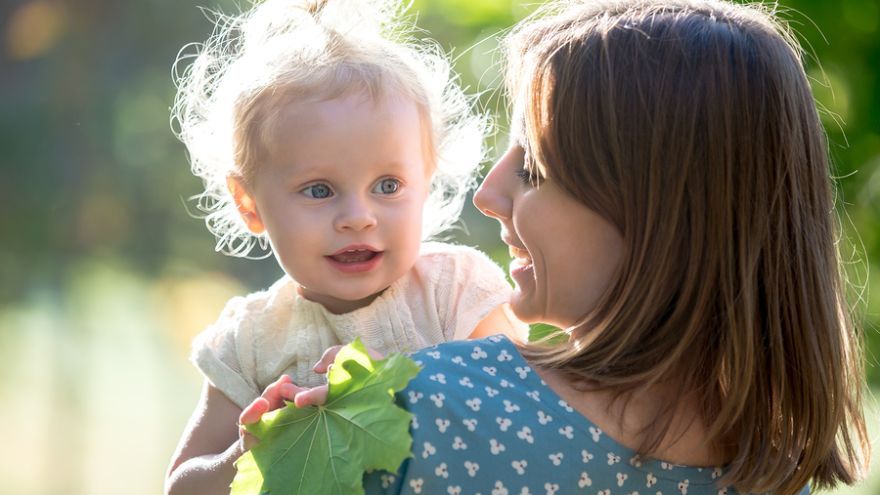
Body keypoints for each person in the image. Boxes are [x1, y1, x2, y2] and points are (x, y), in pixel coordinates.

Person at [241, 0, 872, 493]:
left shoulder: (411, 411)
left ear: (655, 215)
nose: (488, 193)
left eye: (536, 169)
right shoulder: (777, 471)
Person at [163, 0, 527, 493]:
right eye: (319, 190)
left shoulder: (454, 293)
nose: (358, 216)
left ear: (426, 180)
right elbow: (180, 486)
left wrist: (410, 389)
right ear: (249, 202)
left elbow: (526, 418)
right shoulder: (249, 341)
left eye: (388, 185)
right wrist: (250, 449)